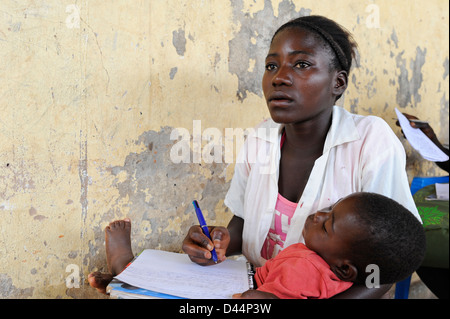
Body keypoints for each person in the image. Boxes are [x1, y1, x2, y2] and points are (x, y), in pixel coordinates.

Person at [182, 15, 421, 299]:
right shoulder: (260, 138)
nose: (279, 77)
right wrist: (217, 242)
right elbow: (243, 221)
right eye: (271, 66)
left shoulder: (371, 141)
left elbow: (384, 266)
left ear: (338, 82)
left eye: (302, 64)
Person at [233, 192, 426, 299]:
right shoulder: (337, 276)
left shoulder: (302, 268)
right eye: (329, 208)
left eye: (326, 227)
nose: (318, 215)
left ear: (344, 268)